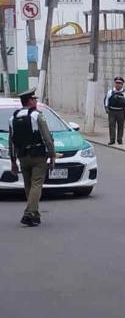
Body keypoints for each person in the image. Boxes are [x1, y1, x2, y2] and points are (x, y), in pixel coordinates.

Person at [8, 88, 56, 227]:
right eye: (34, 99)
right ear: (29, 100)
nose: (36, 101)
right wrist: (52, 154)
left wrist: (13, 162)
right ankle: (29, 213)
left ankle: (34, 215)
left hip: (22, 156)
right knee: (36, 184)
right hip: (38, 156)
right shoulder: (37, 116)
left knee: (28, 185)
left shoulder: (13, 118)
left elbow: (11, 142)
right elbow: (47, 138)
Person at [104, 76, 125, 145]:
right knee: (112, 125)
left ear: (122, 84)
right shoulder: (110, 92)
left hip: (121, 111)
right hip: (112, 111)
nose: (118, 84)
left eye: (120, 83)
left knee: (121, 126)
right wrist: (106, 108)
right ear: (115, 83)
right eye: (117, 83)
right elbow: (106, 100)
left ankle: (120, 140)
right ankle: (112, 140)